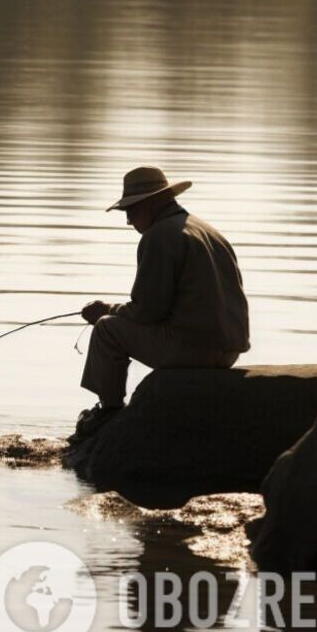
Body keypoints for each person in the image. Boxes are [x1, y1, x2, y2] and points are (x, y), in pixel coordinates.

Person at [74, 166, 249, 438]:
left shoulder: (159, 236)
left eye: (131, 210)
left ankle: (108, 413)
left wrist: (105, 311)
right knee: (112, 322)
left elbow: (148, 312)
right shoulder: (208, 231)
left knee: (107, 328)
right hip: (229, 352)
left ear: (152, 203)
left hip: (192, 351)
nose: (129, 221)